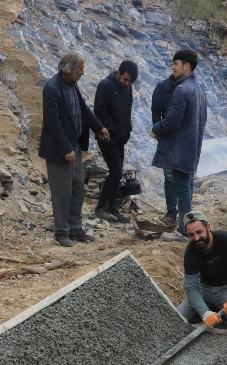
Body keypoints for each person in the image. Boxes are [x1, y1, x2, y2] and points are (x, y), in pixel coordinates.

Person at [39, 51, 110, 247]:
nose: (83, 73)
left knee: (77, 187)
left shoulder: (71, 85)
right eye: (80, 69)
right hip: (60, 150)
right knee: (62, 192)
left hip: (74, 147)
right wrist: (66, 149)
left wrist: (99, 127)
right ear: (69, 69)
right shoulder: (52, 88)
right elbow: (52, 123)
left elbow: (84, 109)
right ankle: (61, 232)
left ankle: (75, 228)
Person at [152, 49, 208, 243]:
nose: (172, 67)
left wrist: (155, 128)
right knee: (187, 186)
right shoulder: (198, 88)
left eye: (175, 63)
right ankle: (189, 227)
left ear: (186, 66)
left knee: (183, 189)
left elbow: (172, 121)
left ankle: (185, 231)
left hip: (180, 149)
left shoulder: (182, 89)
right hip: (191, 146)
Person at [177, 212, 227, 333]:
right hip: (205, 290)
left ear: (208, 227)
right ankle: (219, 316)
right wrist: (205, 312)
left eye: (199, 232)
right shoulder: (190, 252)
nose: (196, 238)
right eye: (191, 235)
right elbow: (191, 287)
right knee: (178, 319)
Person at [94, 60, 138, 224]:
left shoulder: (128, 89)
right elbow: (99, 111)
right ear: (118, 72)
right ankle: (100, 208)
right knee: (116, 172)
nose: (127, 84)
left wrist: (127, 129)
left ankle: (112, 210)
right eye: (125, 79)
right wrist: (114, 129)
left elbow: (127, 111)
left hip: (120, 138)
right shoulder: (105, 86)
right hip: (107, 137)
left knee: (117, 172)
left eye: (130, 81)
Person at [151, 73, 179, 226]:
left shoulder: (189, 88)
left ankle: (185, 211)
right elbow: (155, 111)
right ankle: (171, 211)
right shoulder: (162, 87)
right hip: (167, 138)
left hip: (185, 139)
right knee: (169, 177)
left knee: (185, 176)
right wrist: (158, 130)